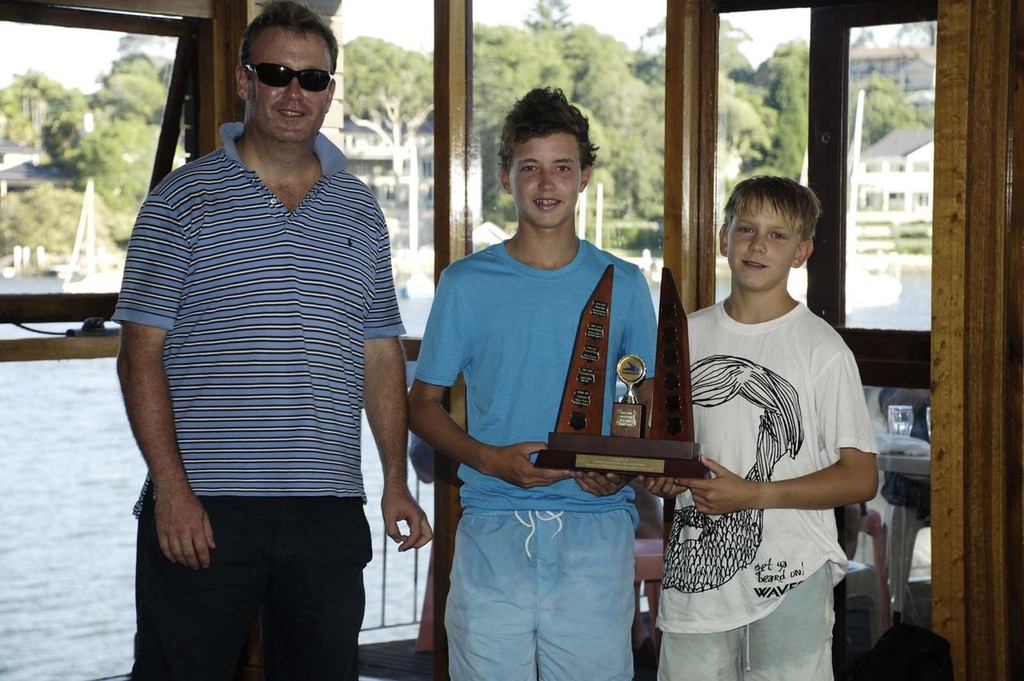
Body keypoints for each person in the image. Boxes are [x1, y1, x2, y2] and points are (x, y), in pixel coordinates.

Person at [112, 2, 432, 678]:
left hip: (327, 509)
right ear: (244, 79)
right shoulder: (180, 200)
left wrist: (396, 481)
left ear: (330, 92)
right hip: (203, 505)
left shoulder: (361, 209)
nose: (294, 93)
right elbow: (139, 351)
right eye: (278, 73)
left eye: (312, 79)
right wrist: (171, 491)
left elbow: (380, 352)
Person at [408, 87, 658, 680]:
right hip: (493, 526)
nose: (547, 184)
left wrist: (619, 466)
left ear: (584, 178)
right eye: (531, 168)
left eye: (562, 168)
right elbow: (423, 406)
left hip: (597, 529)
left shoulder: (625, 283)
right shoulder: (465, 283)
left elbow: (646, 402)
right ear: (505, 177)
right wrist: (490, 459)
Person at [643, 175, 879, 680]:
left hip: (791, 576)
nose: (757, 244)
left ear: (802, 252)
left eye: (777, 235)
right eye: (746, 228)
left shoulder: (824, 350)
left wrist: (751, 494)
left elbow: (861, 478)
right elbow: (666, 450)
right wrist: (660, 479)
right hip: (694, 581)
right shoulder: (683, 336)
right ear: (722, 237)